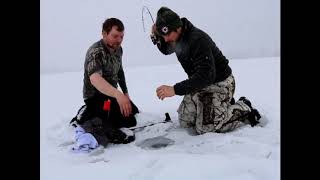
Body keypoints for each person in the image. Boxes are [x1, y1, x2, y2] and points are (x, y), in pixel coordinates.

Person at [150, 7, 261, 134]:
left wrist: (174, 90)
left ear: (177, 28)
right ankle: (219, 106)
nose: (166, 39)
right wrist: (154, 35)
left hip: (220, 83)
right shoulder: (176, 38)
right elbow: (165, 49)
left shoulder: (197, 40)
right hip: (200, 85)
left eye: (167, 35)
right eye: (163, 36)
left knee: (206, 127)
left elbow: (206, 76)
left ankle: (244, 108)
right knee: (185, 122)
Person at [71, 18, 139, 147]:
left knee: (132, 114)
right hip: (95, 96)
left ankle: (99, 112)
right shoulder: (96, 52)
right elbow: (95, 79)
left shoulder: (119, 49)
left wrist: (125, 93)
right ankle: (85, 114)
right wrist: (118, 95)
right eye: (115, 36)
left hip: (111, 95)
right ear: (104, 34)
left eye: (121, 36)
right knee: (118, 120)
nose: (119, 40)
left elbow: (120, 72)